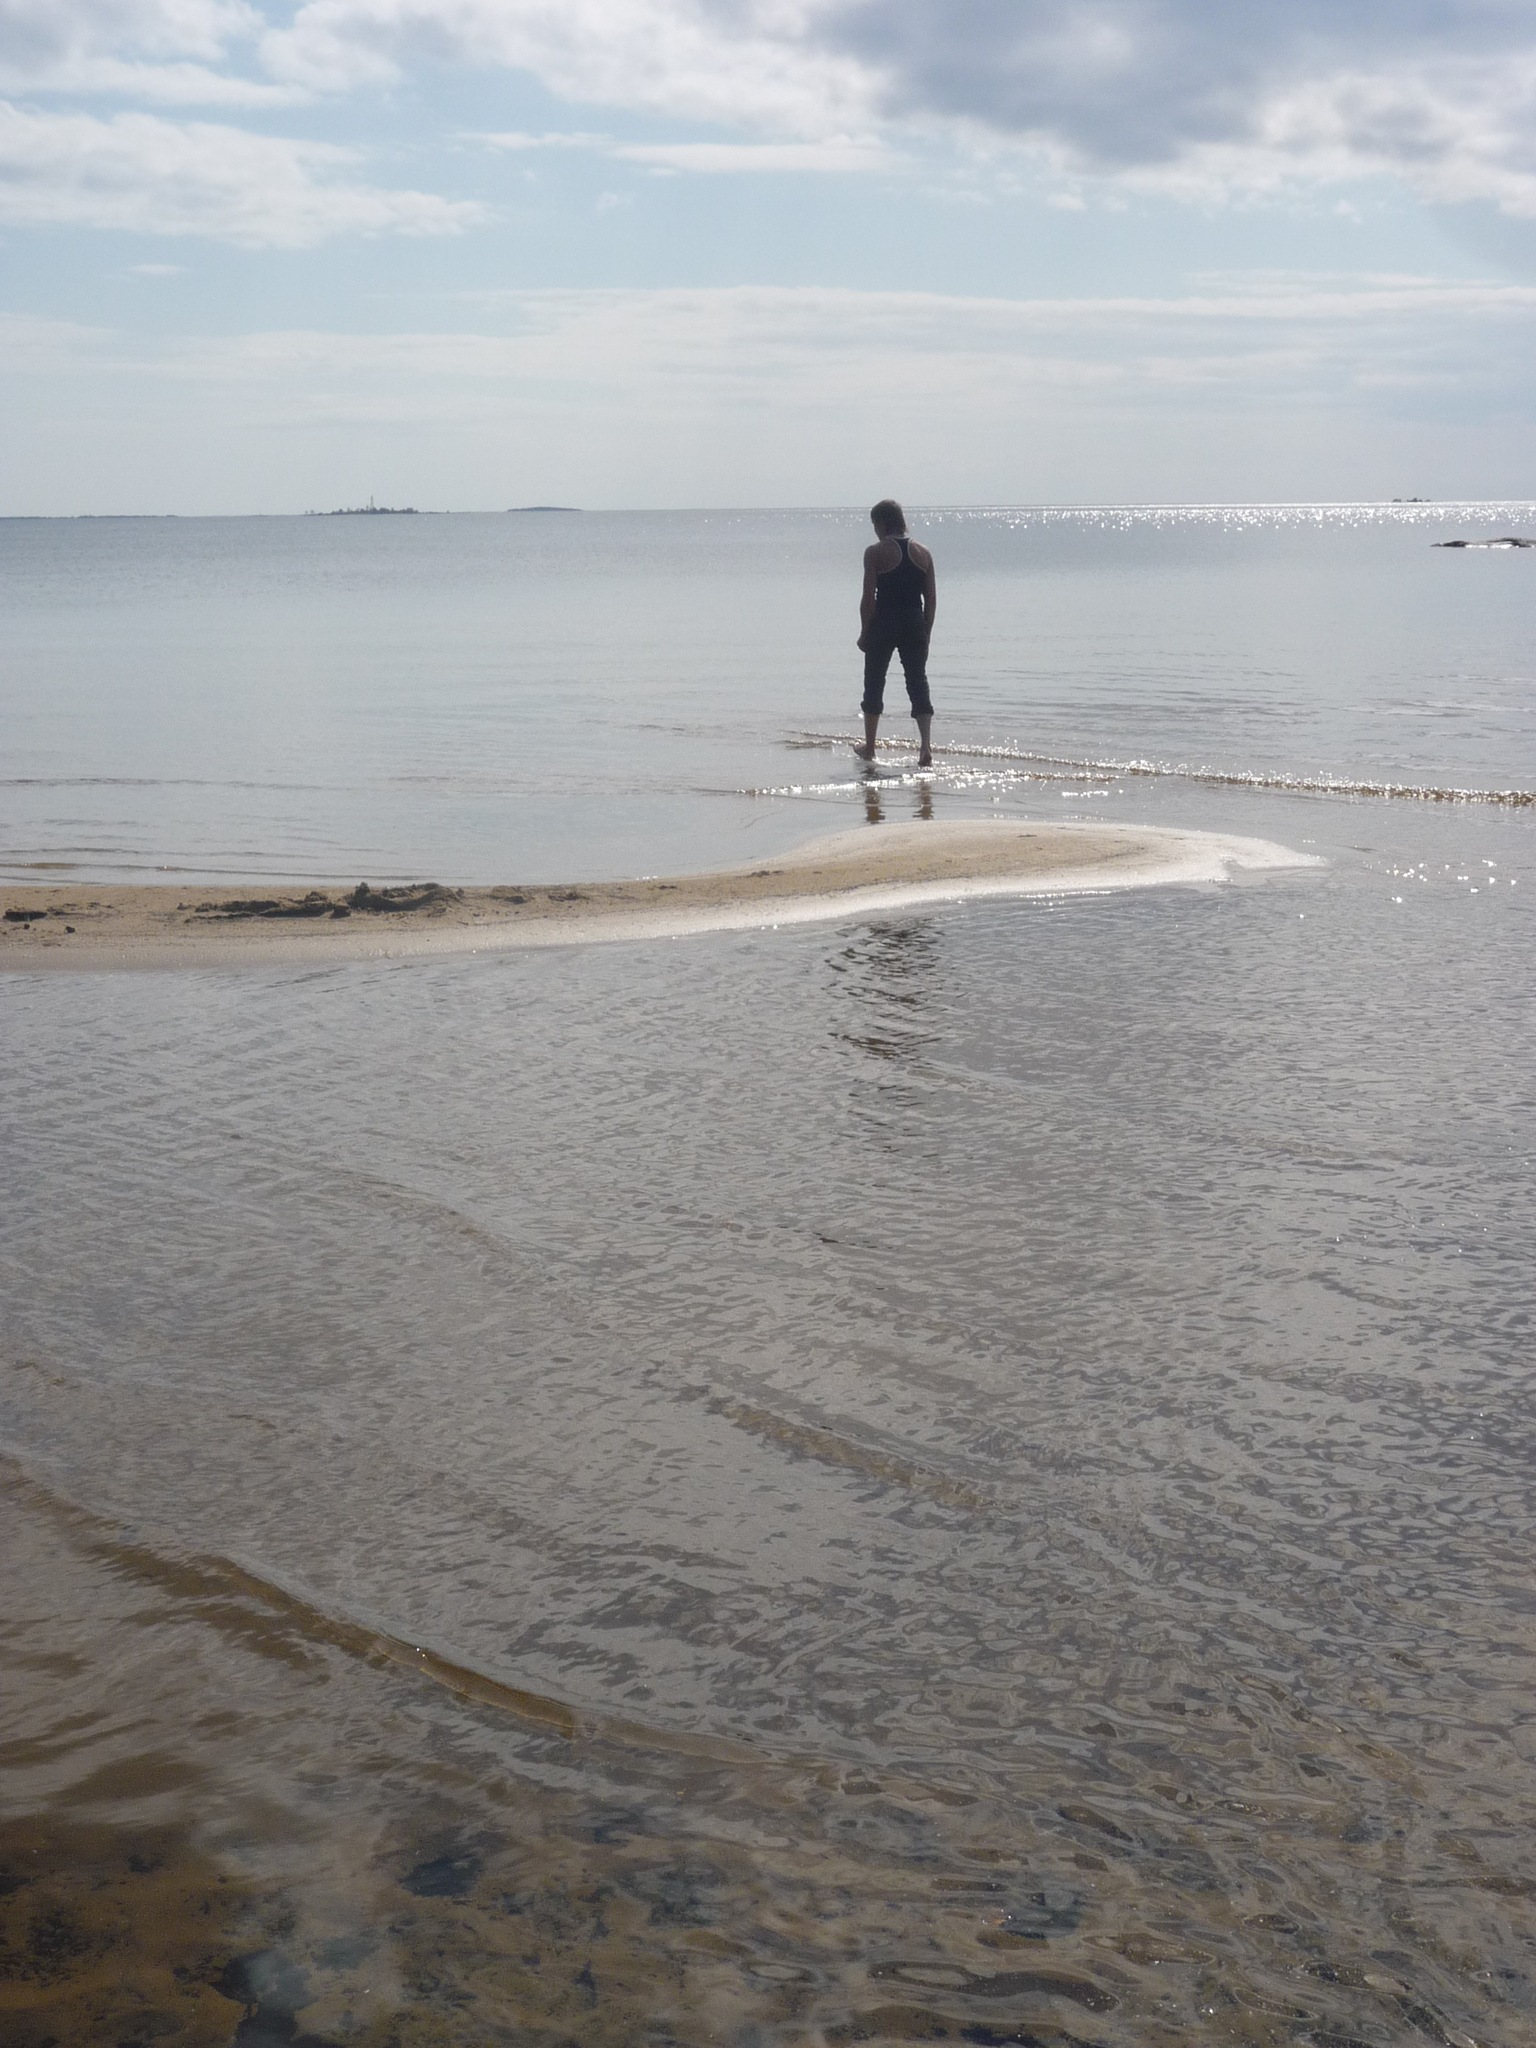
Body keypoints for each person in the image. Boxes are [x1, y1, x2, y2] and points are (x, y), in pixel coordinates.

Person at [856, 498, 936, 768]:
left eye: (874, 525)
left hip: (884, 622)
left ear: (881, 523)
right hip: (914, 621)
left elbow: (868, 598)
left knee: (874, 681)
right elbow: (931, 599)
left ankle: (870, 747)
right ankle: (925, 747)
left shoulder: (875, 552)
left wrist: (864, 631)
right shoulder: (923, 553)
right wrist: (927, 633)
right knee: (917, 682)